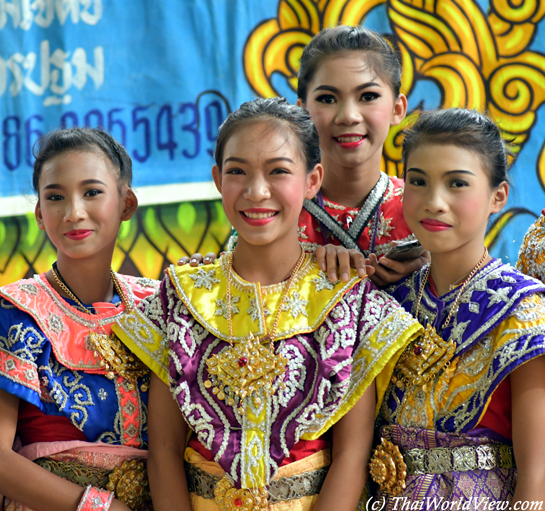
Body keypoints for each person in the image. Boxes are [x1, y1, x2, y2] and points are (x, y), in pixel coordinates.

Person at [114, 97, 422, 511]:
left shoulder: (345, 298)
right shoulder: (183, 295)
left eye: (278, 171)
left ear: (312, 180)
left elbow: (352, 455)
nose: (257, 191)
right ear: (217, 179)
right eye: (237, 171)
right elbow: (165, 451)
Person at [0, 128, 157, 511]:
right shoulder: (19, 312)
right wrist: (100, 508)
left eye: (92, 192)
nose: (73, 213)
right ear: (39, 213)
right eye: (55, 197)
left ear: (126, 204)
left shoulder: (158, 305)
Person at [372, 108, 545, 507]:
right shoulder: (390, 301)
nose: (434, 202)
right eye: (418, 181)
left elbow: (537, 474)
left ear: (497, 196)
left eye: (457, 184)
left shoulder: (523, 312)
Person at [190, 26, 427, 286]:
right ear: (302, 110)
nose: (348, 115)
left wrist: (433, 270)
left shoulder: (422, 204)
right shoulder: (271, 206)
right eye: (327, 98)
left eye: (367, 96)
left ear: (397, 108)